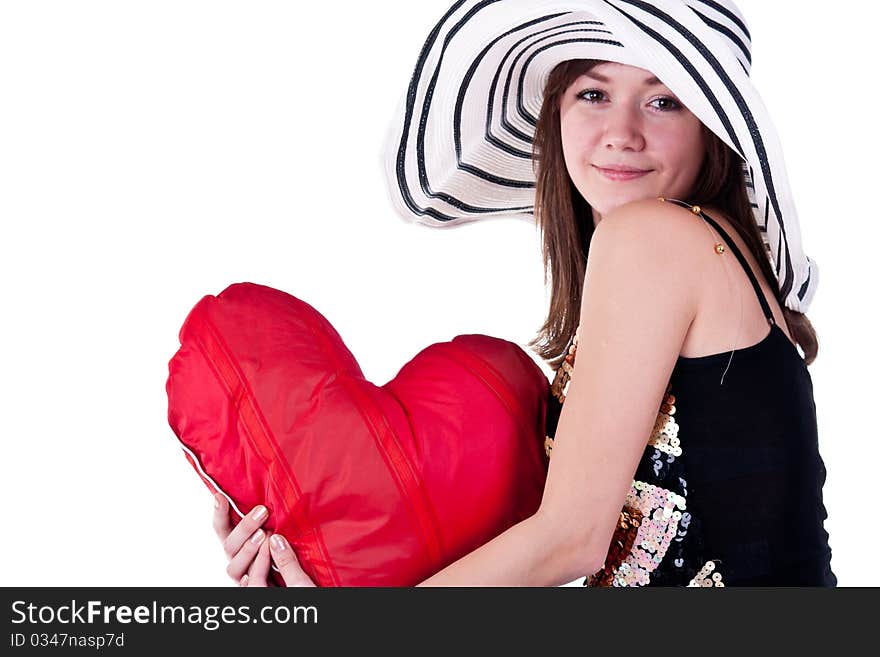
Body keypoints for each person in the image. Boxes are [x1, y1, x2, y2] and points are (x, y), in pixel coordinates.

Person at [212, 0, 835, 587]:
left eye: (664, 102)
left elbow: (571, 540)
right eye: (593, 94)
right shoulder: (710, 252)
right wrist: (310, 543)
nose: (622, 133)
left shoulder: (652, 238)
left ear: (711, 131)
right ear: (556, 116)